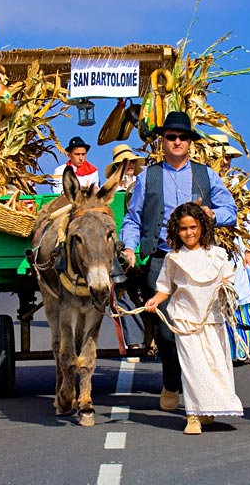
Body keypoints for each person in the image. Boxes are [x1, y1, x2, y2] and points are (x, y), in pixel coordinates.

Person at [121, 111, 238, 412]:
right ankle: (172, 382)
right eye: (171, 137)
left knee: (201, 327)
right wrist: (131, 248)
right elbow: (133, 218)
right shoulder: (148, 177)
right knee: (167, 330)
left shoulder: (206, 176)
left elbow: (230, 211)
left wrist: (212, 214)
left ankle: (201, 389)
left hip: (199, 260)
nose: (176, 141)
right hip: (162, 258)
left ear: (190, 142)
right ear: (162, 141)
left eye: (182, 137)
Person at [144, 202, 243, 434]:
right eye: (183, 228)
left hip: (212, 321)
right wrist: (155, 301)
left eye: (193, 227)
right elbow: (165, 287)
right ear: (176, 231)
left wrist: (225, 289)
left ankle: (210, 408)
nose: (189, 233)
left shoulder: (217, 255)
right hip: (186, 322)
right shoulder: (174, 259)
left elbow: (228, 280)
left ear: (202, 227)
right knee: (192, 368)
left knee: (214, 366)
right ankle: (193, 415)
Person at [208, 135, 250, 359]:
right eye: (222, 156)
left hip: (235, 246)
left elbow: (249, 217)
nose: (226, 161)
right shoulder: (206, 179)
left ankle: (240, 345)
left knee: (239, 292)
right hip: (213, 245)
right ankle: (220, 348)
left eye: (229, 157)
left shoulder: (235, 183)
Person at [105, 144, 147, 354]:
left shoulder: (141, 185)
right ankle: (134, 342)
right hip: (116, 247)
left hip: (140, 245)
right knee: (122, 291)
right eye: (124, 163)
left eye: (131, 162)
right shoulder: (108, 190)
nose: (129, 166)